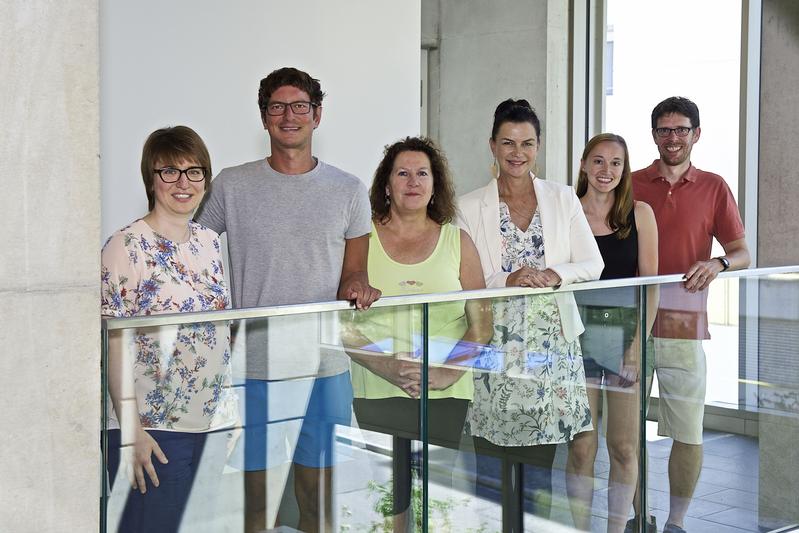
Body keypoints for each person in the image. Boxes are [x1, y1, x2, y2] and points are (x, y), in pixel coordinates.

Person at [195, 67, 381, 533]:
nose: (289, 115)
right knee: (256, 504)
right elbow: (191, 251)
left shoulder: (348, 190)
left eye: (300, 106)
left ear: (317, 115)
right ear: (264, 118)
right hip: (253, 366)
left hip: (324, 366)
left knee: (317, 498)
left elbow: (354, 272)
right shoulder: (231, 186)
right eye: (277, 107)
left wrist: (358, 286)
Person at [456, 99, 604, 526]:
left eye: (526, 143)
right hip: (491, 342)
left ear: (538, 147)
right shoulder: (469, 206)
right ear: (492, 146)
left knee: (540, 473)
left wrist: (552, 274)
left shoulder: (561, 198)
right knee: (490, 471)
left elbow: (592, 264)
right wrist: (510, 278)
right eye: (508, 142)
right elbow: (467, 280)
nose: (517, 152)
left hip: (550, 347)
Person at [341, 137, 493, 531]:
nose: (413, 181)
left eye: (422, 173)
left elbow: (483, 324)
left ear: (435, 183)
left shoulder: (458, 241)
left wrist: (444, 374)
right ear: (386, 185)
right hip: (378, 387)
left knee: (435, 496)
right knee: (389, 495)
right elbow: (342, 324)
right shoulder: (360, 241)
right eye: (402, 173)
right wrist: (391, 367)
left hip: (445, 391)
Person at [101, 126, 238, 532]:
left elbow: (220, 334)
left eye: (194, 171)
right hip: (154, 431)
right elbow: (113, 345)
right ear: (150, 178)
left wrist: (231, 414)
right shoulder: (125, 246)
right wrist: (131, 431)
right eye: (169, 171)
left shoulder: (210, 243)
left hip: (213, 425)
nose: (183, 183)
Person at [630, 96, 750, 533]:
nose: (673, 137)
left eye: (681, 129)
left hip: (683, 324)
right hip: (631, 325)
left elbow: (742, 254)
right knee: (628, 433)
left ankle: (676, 523)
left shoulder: (714, 186)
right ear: (654, 135)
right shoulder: (630, 182)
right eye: (665, 129)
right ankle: (636, 516)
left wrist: (717, 263)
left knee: (688, 431)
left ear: (696, 134)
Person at [565, 133, 658, 533]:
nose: (607, 171)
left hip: (626, 337)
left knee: (623, 446)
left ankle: (617, 529)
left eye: (616, 163)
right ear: (584, 164)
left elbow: (651, 284)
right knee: (582, 446)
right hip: (578, 335)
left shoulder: (640, 214)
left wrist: (636, 348)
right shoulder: (565, 212)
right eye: (598, 161)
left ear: (625, 169)